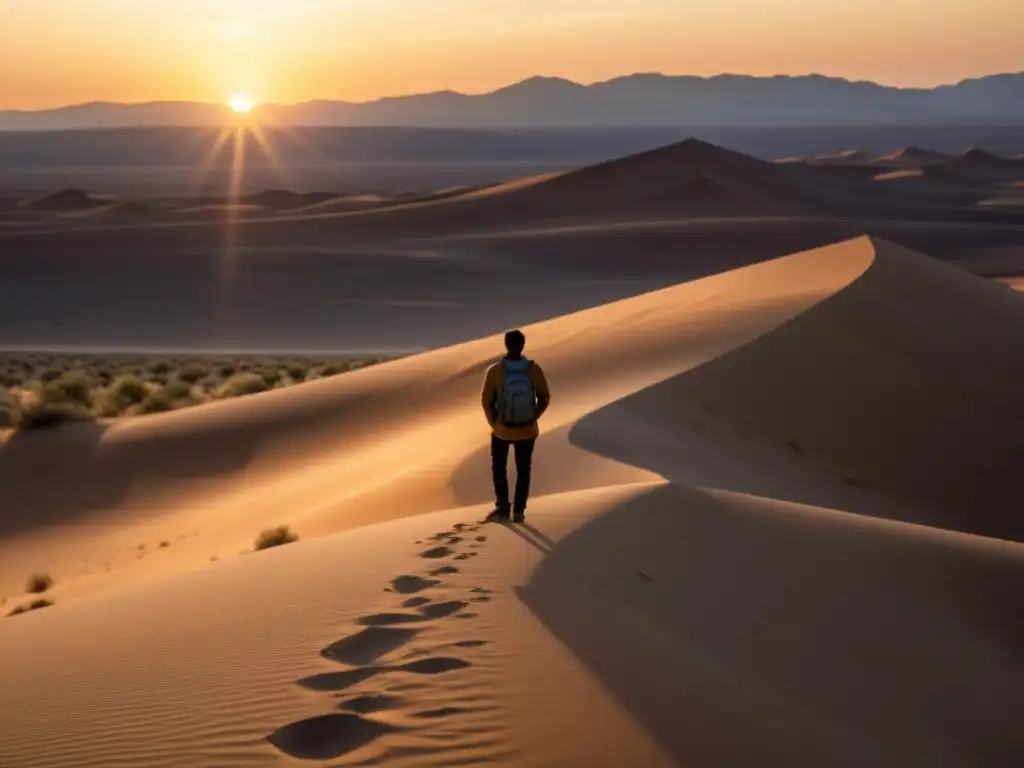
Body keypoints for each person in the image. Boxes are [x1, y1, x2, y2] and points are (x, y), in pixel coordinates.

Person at [481, 329, 550, 522]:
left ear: (506, 345)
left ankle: (503, 508)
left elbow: (486, 401)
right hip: (527, 429)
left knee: (499, 468)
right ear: (523, 345)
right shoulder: (533, 369)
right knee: (523, 469)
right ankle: (519, 510)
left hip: (503, 430)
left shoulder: (495, 371)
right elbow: (544, 397)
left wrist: (495, 425)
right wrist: (533, 416)